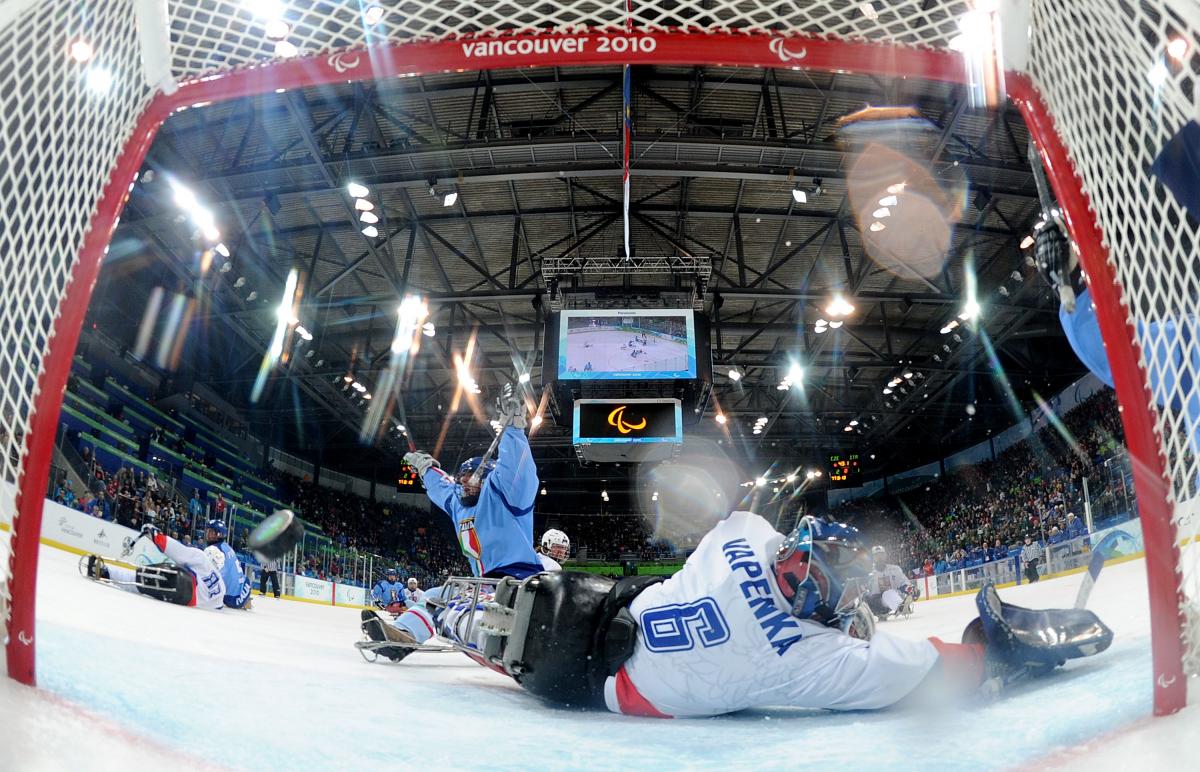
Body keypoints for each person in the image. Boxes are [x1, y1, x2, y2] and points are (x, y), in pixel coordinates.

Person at [407, 511, 1113, 717]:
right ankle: (456, 622)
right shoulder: (809, 660)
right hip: (596, 687)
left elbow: (760, 543)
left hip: (597, 604)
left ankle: (441, 613)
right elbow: (930, 665)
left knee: (500, 617)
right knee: (511, 646)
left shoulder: (741, 532)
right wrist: (1001, 649)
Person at [363, 388, 541, 659]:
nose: (466, 481)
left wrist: (514, 431)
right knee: (437, 594)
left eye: (475, 476)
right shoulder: (460, 504)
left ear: (489, 477)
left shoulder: (505, 494)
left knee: (466, 604)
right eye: (463, 476)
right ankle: (402, 637)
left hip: (521, 580)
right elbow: (441, 487)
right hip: (485, 583)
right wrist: (425, 469)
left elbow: (517, 471)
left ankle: (501, 638)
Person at [82, 525, 227, 609]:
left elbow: (179, 551)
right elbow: (216, 607)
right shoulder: (222, 587)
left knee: (139, 577)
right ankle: (107, 574)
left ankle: (105, 572)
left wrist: (156, 536)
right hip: (183, 600)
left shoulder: (202, 558)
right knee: (141, 585)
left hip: (183, 580)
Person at [205, 519, 253, 609]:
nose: (207, 534)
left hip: (231, 599)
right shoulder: (226, 546)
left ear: (219, 534)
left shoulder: (213, 550)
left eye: (211, 532)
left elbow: (206, 574)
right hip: (245, 589)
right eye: (207, 531)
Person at [864, 545, 918, 620]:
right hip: (875, 604)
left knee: (889, 593)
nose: (880, 558)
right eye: (877, 556)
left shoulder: (894, 569)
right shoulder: (867, 573)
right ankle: (900, 606)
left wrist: (910, 589)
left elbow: (902, 582)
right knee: (886, 594)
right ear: (873, 558)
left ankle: (901, 606)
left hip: (891, 600)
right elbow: (862, 590)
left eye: (881, 555)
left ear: (885, 556)